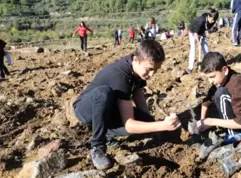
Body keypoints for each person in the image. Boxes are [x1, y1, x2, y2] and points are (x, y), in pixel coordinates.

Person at [73, 40, 181, 170]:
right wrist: (162, 125)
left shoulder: (137, 71)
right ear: (136, 60)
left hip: (109, 108)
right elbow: (129, 124)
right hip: (86, 110)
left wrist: (151, 123)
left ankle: (107, 133)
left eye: (156, 70)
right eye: (149, 69)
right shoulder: (121, 76)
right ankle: (97, 146)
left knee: (147, 122)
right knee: (103, 93)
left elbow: (139, 96)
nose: (152, 75)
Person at [188, 9, 219, 73]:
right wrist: (199, 43)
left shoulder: (212, 21)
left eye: (214, 20)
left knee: (206, 49)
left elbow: (206, 29)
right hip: (193, 32)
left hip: (202, 32)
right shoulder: (201, 20)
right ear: (209, 16)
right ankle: (190, 68)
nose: (212, 21)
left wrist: (203, 36)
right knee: (193, 49)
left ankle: (209, 65)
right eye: (212, 19)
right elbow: (195, 33)